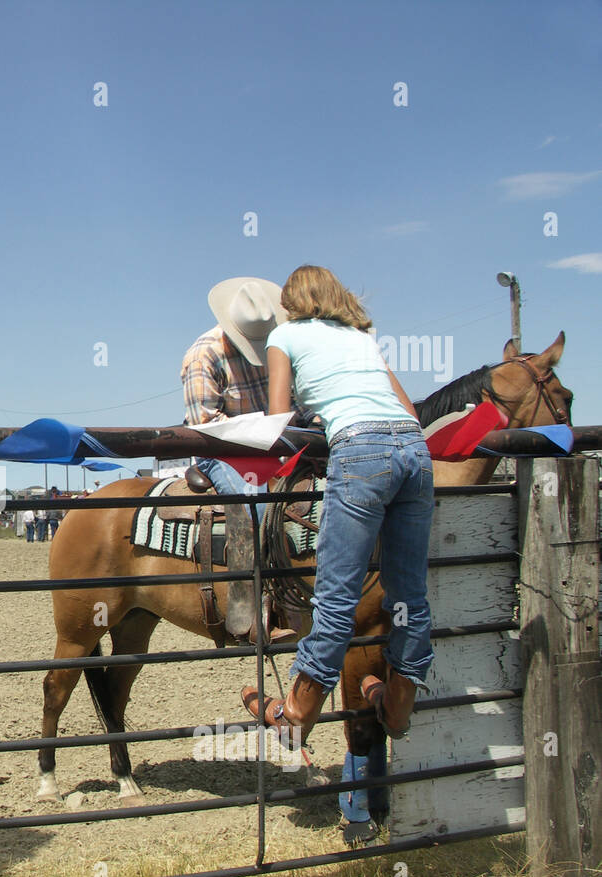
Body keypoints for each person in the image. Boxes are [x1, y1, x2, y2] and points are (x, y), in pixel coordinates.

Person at [243, 265, 434, 828]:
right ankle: (398, 704)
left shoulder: (284, 337)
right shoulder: (360, 338)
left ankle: (298, 710)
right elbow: (412, 413)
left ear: (291, 303)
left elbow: (279, 419)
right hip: (413, 454)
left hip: (361, 451)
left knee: (337, 595)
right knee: (408, 593)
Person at [182, 277, 296, 641]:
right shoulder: (204, 354)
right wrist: (262, 430)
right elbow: (204, 424)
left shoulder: (275, 342)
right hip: (221, 451)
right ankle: (261, 608)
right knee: (257, 507)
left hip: (273, 446)